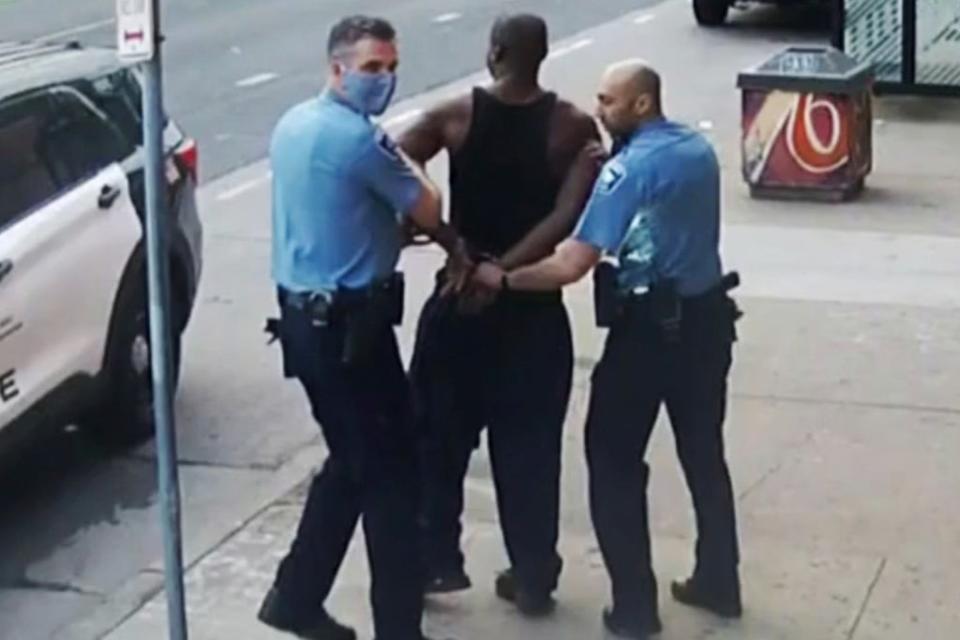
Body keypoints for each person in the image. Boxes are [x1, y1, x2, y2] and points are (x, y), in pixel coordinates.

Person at [474, 60, 743, 639]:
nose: (599, 110)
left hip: (648, 335)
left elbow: (573, 261)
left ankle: (634, 606)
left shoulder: (631, 169)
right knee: (704, 456)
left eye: (609, 101)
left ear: (641, 105)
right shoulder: (695, 151)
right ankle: (720, 579)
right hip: (707, 323)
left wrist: (505, 278)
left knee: (613, 461)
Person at [258, 15, 469, 640]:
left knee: (353, 462)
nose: (384, 79)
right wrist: (402, 162)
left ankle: (295, 596)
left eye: (391, 67)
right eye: (372, 68)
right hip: (350, 334)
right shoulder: (360, 141)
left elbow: (338, 211)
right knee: (391, 479)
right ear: (337, 69)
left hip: (310, 324)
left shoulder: (295, 123)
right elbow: (427, 208)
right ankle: (398, 628)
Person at [397, 13, 601, 617]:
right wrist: (506, 272)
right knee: (530, 451)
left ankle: (436, 560)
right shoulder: (571, 126)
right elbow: (566, 216)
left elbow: (397, 167)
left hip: (458, 302)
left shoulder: (455, 116)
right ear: (543, 55)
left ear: (493, 53)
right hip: (533, 310)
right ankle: (534, 575)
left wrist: (456, 247)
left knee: (438, 440)